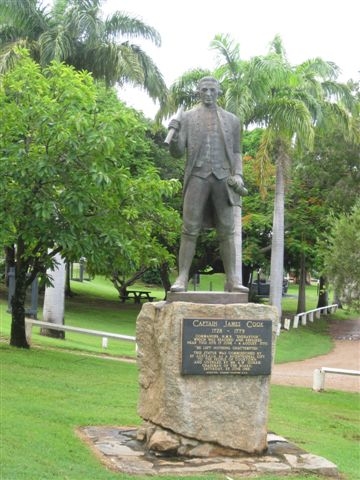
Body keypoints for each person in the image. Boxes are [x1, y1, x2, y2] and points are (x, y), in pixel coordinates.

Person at [167, 76, 248, 293]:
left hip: (224, 179)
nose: (208, 93)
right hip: (197, 177)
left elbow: (238, 152)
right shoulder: (187, 117)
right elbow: (176, 153)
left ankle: (232, 280)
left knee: (227, 230)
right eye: (204, 90)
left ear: (219, 92)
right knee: (189, 229)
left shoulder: (232, 120)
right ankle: (182, 278)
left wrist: (238, 174)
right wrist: (174, 136)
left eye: (212, 90)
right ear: (198, 92)